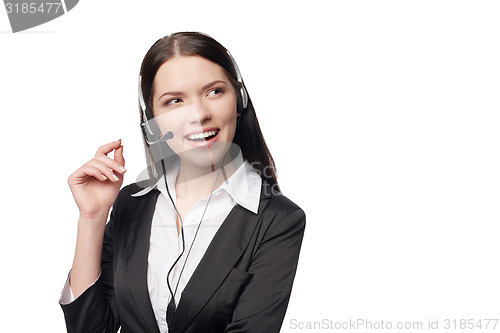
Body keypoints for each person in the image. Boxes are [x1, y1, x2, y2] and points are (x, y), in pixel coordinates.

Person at [59, 31, 306, 333]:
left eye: (214, 91)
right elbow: (91, 330)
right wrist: (92, 218)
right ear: (152, 119)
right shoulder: (131, 204)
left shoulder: (277, 220)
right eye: (175, 101)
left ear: (239, 99)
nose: (199, 114)